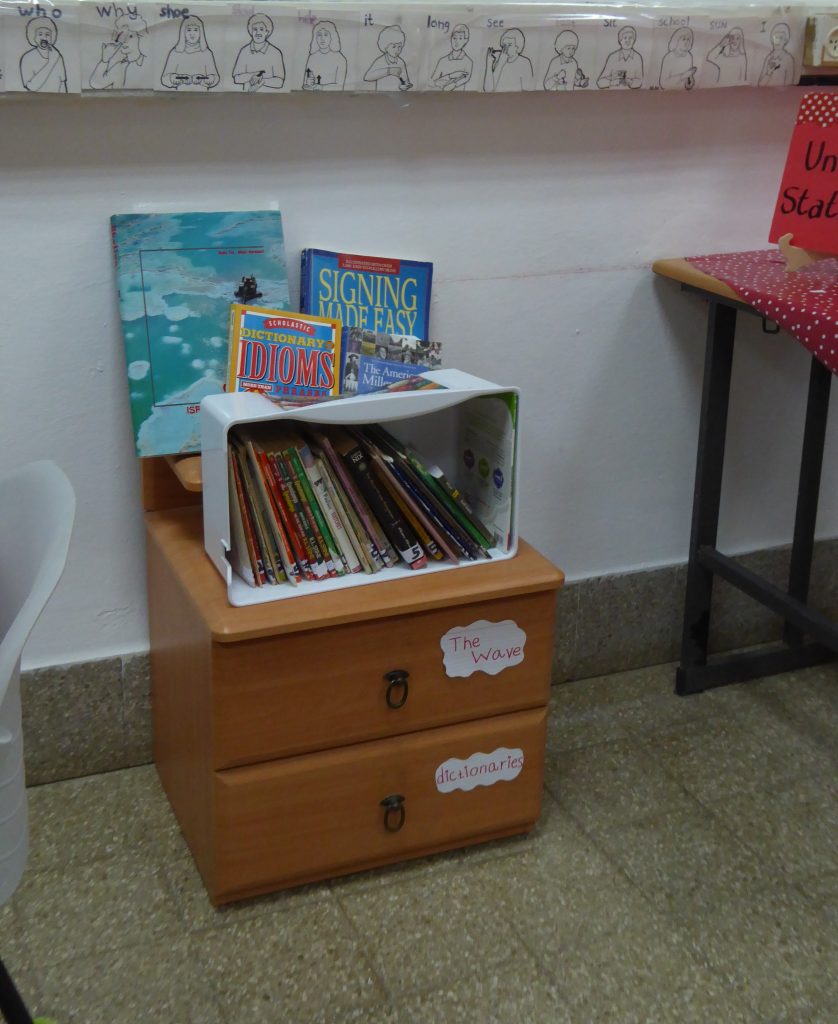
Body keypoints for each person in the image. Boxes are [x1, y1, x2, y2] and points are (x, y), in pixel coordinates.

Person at [89, 13, 148, 90]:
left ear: (140, 37)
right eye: (121, 36)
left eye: (130, 36)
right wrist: (104, 60)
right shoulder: (121, 65)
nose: (124, 41)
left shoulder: (148, 62)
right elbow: (96, 84)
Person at [160, 15, 220, 91]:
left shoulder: (207, 53)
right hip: (178, 95)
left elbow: (215, 78)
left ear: (200, 33)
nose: (192, 33)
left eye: (195, 30)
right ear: (183, 33)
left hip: (204, 95)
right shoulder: (175, 52)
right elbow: (164, 78)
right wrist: (175, 78)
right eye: (189, 30)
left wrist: (204, 79)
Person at [232, 13, 285, 92]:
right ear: (251, 31)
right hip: (246, 97)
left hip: (271, 98)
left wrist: (260, 80)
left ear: (267, 32)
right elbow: (237, 78)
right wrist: (253, 75)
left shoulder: (275, 52)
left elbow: (280, 82)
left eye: (261, 29)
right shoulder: (244, 51)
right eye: (255, 29)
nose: (258, 33)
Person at [20, 17, 67, 93]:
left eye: (48, 34)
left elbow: (62, 83)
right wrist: (51, 62)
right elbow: (31, 86)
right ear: (34, 36)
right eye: (40, 34)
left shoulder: (57, 56)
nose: (44, 37)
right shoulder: (27, 57)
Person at [364, 25, 412, 91]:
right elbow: (367, 77)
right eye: (394, 47)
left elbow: (406, 80)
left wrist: (404, 86)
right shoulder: (380, 61)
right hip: (381, 95)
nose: (397, 50)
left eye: (399, 46)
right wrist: (389, 71)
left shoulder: (401, 62)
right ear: (386, 47)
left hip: (398, 96)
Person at [302, 21, 347, 91]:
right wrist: (307, 84)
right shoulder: (312, 58)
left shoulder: (340, 58)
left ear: (332, 37)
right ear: (315, 38)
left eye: (326, 35)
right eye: (319, 35)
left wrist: (321, 88)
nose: (322, 38)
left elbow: (340, 86)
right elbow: (305, 86)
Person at [597, 25, 644, 89]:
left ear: (634, 40)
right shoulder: (612, 57)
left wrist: (630, 82)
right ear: (620, 40)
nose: (628, 40)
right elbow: (600, 82)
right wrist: (612, 81)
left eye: (630, 38)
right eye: (625, 38)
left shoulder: (638, 57)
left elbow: (640, 82)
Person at [430, 24, 473, 91]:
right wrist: (451, 76)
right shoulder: (442, 61)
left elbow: (465, 78)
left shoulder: (468, 61)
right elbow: (433, 82)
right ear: (451, 39)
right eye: (454, 38)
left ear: (466, 40)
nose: (456, 41)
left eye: (460, 38)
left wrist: (453, 84)